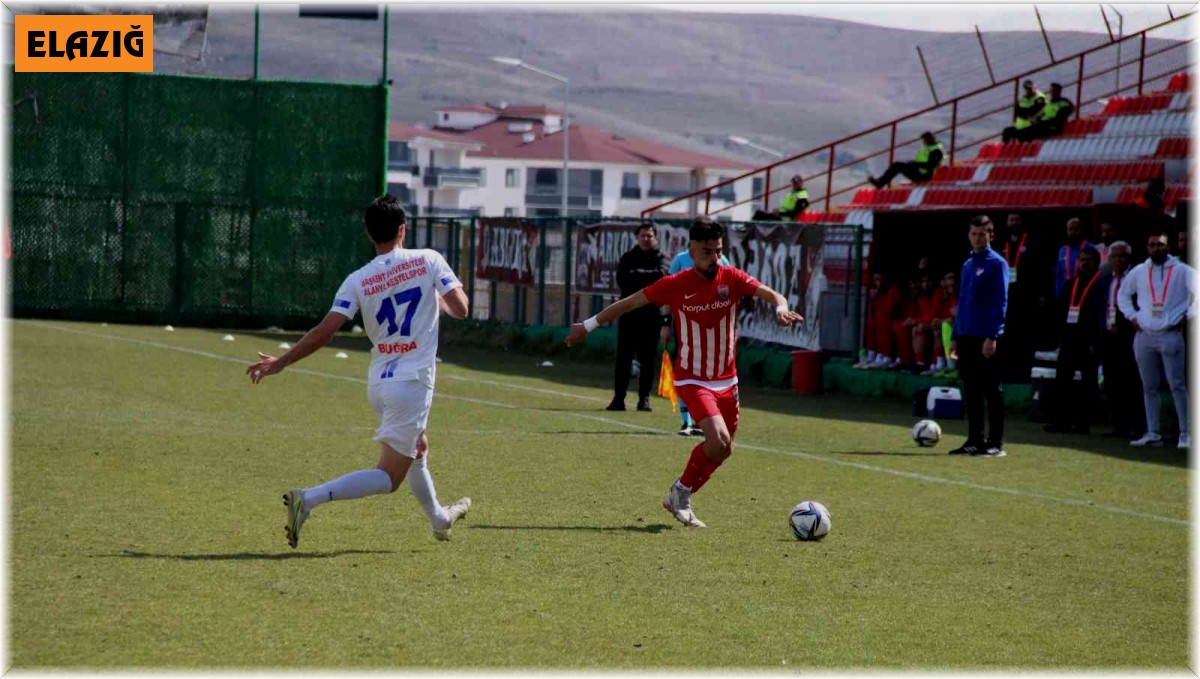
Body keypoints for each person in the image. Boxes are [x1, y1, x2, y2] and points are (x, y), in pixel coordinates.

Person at [246, 195, 472, 548]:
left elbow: (325, 330)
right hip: (411, 384)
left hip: (379, 384)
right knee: (388, 477)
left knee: (418, 446)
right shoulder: (428, 259)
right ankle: (309, 498)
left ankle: (440, 519)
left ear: (369, 234)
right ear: (403, 229)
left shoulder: (358, 279)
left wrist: (281, 361)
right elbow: (461, 309)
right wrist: (436, 298)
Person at [566, 217, 803, 527]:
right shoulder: (676, 284)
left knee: (723, 449)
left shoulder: (731, 278)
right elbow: (628, 303)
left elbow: (773, 295)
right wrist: (587, 325)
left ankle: (679, 493)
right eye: (707, 252)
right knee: (717, 441)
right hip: (692, 378)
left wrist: (780, 309)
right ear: (691, 250)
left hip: (727, 379)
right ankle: (682, 494)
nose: (714, 258)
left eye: (718, 251)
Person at [1117, 230, 1195, 448]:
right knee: (1148, 386)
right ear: (1147, 247)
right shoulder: (1139, 271)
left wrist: (1189, 316)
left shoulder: (1182, 271)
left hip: (1171, 334)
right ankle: (1153, 432)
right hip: (1144, 335)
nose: (1155, 248)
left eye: (1160, 245)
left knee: (1177, 385)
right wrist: (1132, 316)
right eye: (1152, 245)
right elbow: (1123, 295)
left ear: (1168, 246)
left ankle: (1186, 434)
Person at [949, 215, 1009, 457]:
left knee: (992, 390)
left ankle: (995, 442)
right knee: (971, 390)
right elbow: (962, 302)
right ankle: (974, 439)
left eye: (982, 234)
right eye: (973, 233)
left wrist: (992, 336)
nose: (977, 238)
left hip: (986, 336)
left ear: (991, 235)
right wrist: (955, 334)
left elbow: (1000, 302)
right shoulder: (967, 265)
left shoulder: (997, 264)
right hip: (966, 334)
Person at [667, 246, 730, 435]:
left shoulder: (723, 261)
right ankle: (686, 421)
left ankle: (703, 420)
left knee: (709, 376)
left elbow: (729, 291)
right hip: (686, 327)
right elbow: (669, 291)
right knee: (685, 372)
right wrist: (665, 323)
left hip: (711, 331)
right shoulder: (680, 260)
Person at [608, 223, 670, 412]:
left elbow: (662, 278)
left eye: (649, 235)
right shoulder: (628, 257)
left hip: (651, 316)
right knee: (623, 359)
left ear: (655, 238)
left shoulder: (661, 258)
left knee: (648, 360)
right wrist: (647, 279)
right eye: (643, 235)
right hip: (628, 315)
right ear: (637, 237)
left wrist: (637, 276)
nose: (646, 239)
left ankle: (644, 399)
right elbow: (622, 279)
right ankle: (619, 398)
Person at [1044, 246, 1102, 434]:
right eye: (1082, 260)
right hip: (1069, 338)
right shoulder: (1070, 283)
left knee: (1088, 382)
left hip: (1088, 340)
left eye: (1089, 260)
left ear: (1097, 262)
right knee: (1062, 380)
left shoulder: (1100, 284)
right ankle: (1061, 421)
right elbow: (1060, 311)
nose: (1085, 263)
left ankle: (1083, 424)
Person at [1092, 241, 1145, 439]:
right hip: (1107, 335)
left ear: (1129, 258)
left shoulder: (1137, 280)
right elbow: (1096, 311)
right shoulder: (1104, 280)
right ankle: (1117, 425)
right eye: (1114, 256)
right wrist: (1093, 338)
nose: (1117, 260)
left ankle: (1137, 426)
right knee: (1111, 382)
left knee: (1131, 381)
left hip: (1129, 337)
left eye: (1122, 256)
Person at [1000, 212, 1039, 382]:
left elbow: (1041, 266)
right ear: (1007, 223)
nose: (1014, 223)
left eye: (1017, 219)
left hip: (1026, 296)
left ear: (1022, 222)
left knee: (1025, 334)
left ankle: (1025, 372)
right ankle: (1007, 372)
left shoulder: (1032, 241)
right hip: (1005, 296)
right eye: (1011, 220)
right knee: (1006, 334)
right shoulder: (1000, 242)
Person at [868, 131, 944, 189]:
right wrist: (913, 163)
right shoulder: (930, 149)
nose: (923, 142)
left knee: (897, 166)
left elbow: (930, 166)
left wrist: (916, 164)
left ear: (929, 139)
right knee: (897, 165)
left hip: (924, 176)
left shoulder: (935, 150)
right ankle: (880, 181)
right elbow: (923, 163)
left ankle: (880, 183)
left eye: (924, 140)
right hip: (919, 172)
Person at [1005, 82, 1075, 143]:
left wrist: (1042, 122)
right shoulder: (1049, 103)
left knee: (1031, 131)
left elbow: (1060, 117)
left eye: (1054, 90)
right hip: (1043, 125)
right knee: (1011, 131)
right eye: (1051, 90)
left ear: (1059, 91)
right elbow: (1040, 114)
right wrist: (1035, 119)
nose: (1052, 92)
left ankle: (1024, 146)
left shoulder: (1064, 102)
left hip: (1053, 127)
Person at [1054, 217, 1090, 299]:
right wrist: (1058, 293)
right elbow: (1058, 274)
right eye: (1071, 229)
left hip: (1083, 289)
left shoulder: (1090, 248)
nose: (1073, 232)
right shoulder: (1062, 250)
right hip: (1065, 290)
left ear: (1082, 230)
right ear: (1067, 231)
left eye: (1076, 229)